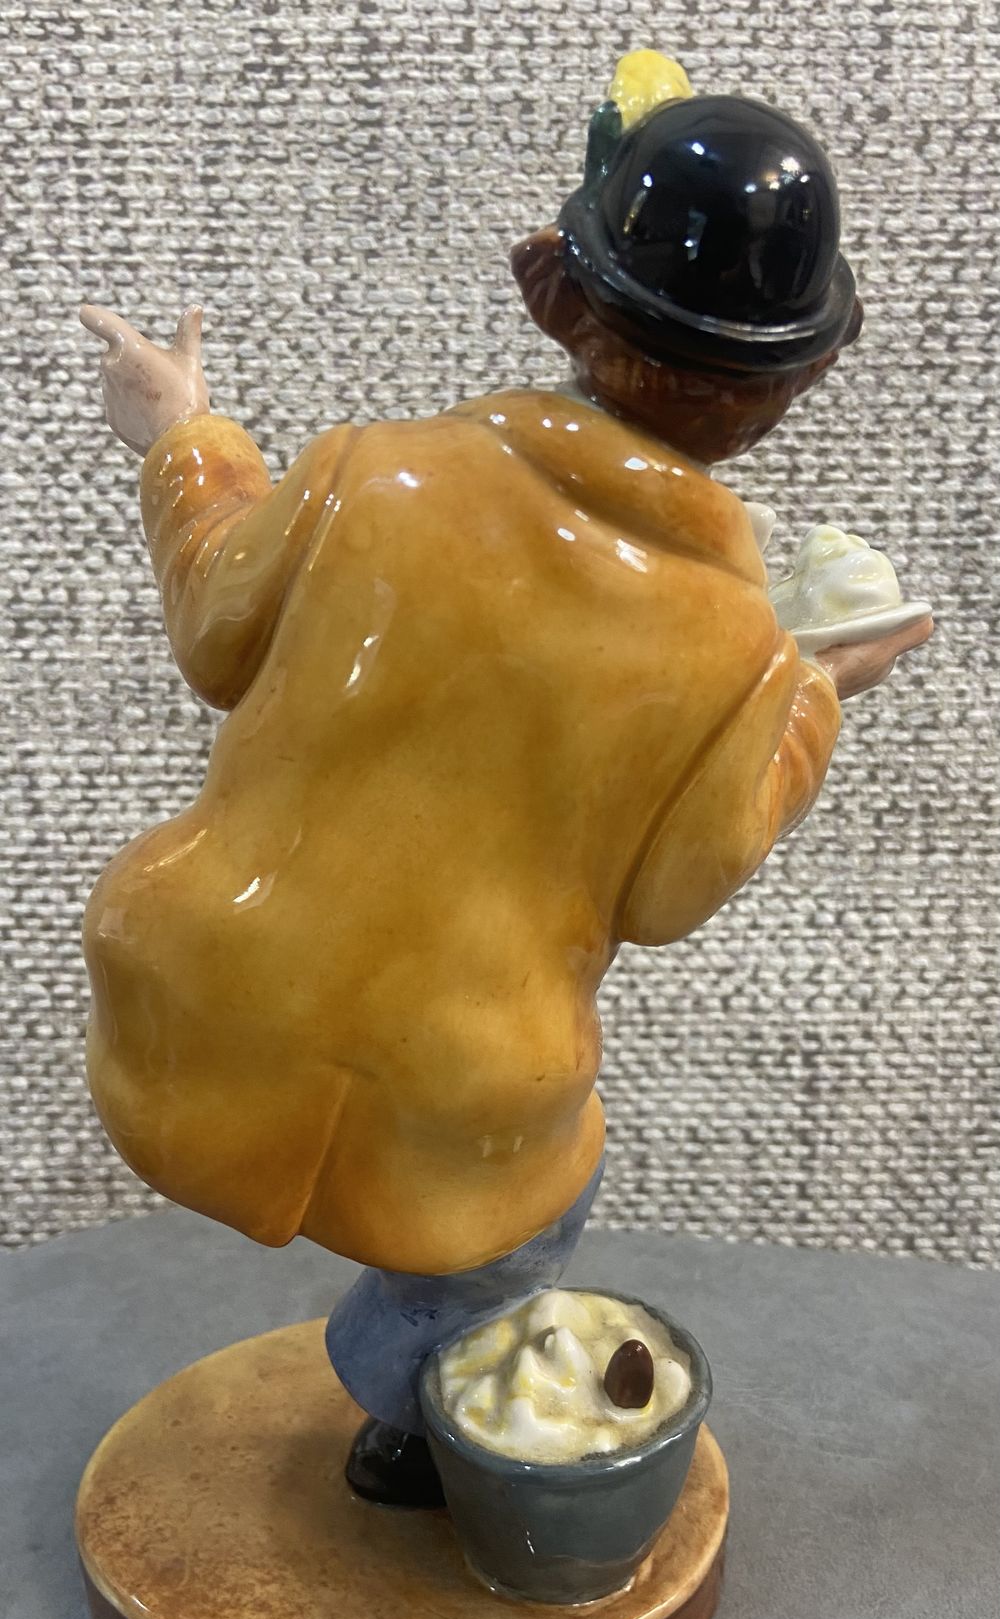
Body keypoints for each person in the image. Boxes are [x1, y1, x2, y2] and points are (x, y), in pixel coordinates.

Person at [80, 57, 931, 1503]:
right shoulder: (739, 652)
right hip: (462, 1111)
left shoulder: (370, 472)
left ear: (555, 297)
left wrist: (184, 433)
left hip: (192, 1002)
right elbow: (668, 897)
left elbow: (216, 619)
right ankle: (405, 1410)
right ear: (797, 385)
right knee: (539, 1211)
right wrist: (808, 701)